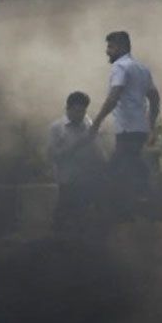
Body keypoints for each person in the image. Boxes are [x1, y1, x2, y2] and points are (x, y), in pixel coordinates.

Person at [89, 31, 160, 219]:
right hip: (139, 130)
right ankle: (140, 206)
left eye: (110, 47)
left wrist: (96, 122)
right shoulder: (142, 69)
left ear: (121, 47)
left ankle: (126, 214)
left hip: (127, 130)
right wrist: (151, 124)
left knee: (115, 172)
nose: (107, 51)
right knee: (130, 168)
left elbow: (114, 95)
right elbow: (154, 98)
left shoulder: (120, 67)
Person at [47, 91, 105, 228]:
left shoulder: (88, 123)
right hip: (67, 181)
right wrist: (76, 146)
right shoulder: (57, 128)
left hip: (87, 180)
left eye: (83, 111)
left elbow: (97, 148)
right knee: (63, 219)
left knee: (84, 219)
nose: (80, 115)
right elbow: (53, 156)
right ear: (68, 109)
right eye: (77, 111)